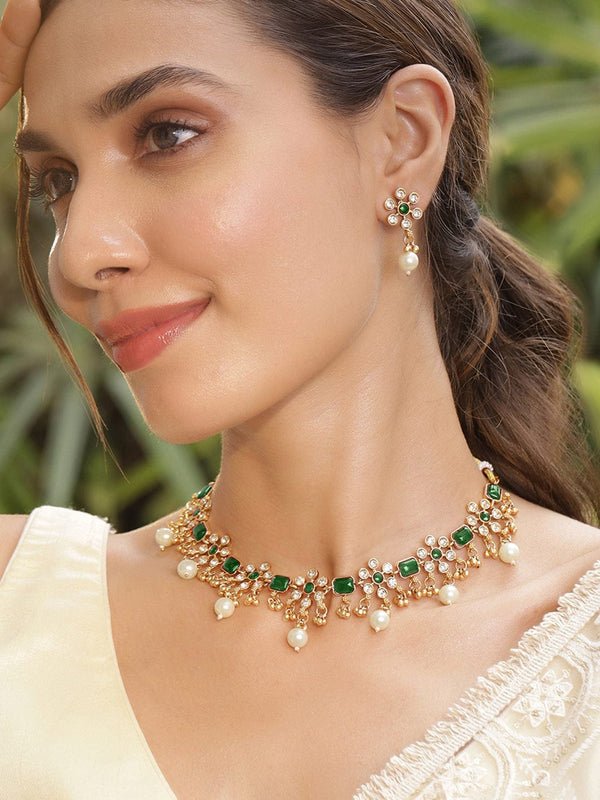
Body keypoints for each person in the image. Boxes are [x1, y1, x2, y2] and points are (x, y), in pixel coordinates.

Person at [1, 0, 599, 797]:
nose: (80, 252)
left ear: (403, 140)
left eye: (167, 135)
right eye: (58, 182)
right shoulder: (19, 610)